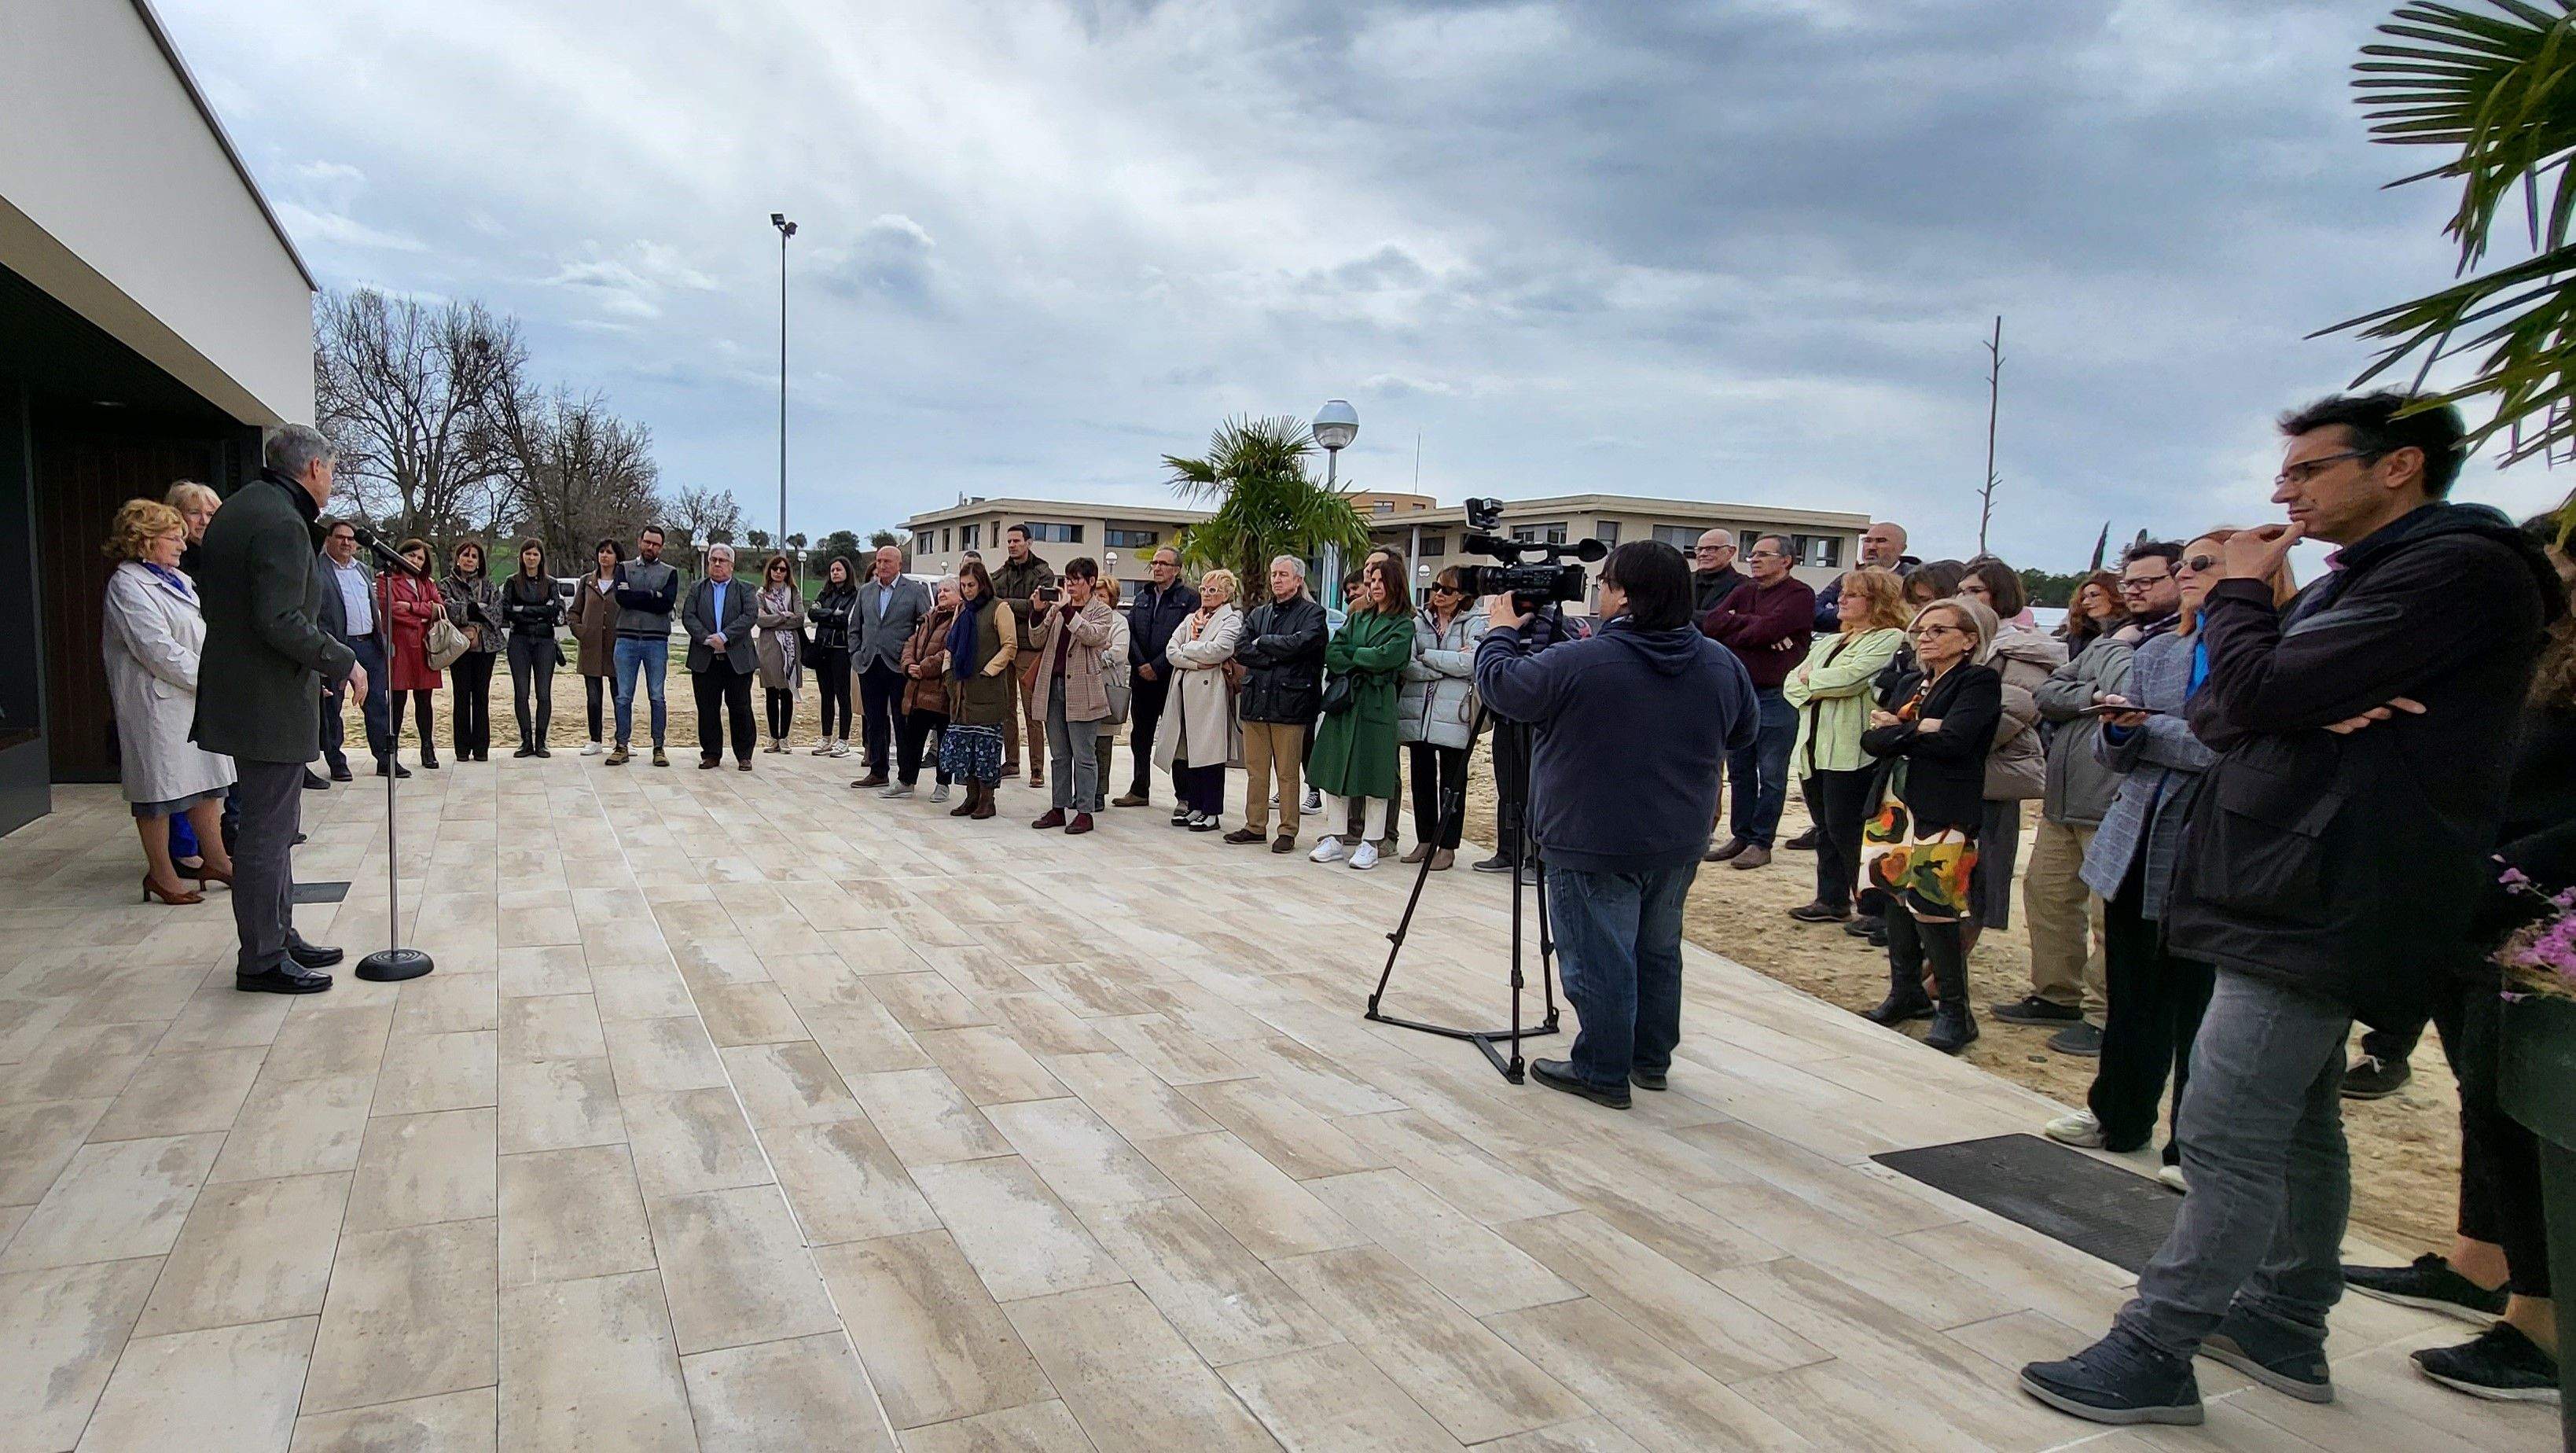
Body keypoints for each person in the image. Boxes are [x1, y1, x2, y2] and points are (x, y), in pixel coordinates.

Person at [2022, 391, 2565, 1428]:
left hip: (2328, 888)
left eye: (2308, 469)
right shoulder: (2373, 575)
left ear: (2397, 465)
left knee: (2223, 1130)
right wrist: (2284, 690)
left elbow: (2253, 695)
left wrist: (2243, 600)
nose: (2284, 493)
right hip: (2288, 876)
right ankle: (2282, 1317)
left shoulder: (2455, 569)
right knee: (2298, 1119)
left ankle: (2156, 1347)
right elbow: (2224, 706)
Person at [2344, 513, 2573, 1403]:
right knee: (2484, 1097)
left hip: (2532, 913)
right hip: (2479, 906)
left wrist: (2495, 875)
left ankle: (2541, 1332)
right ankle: (2480, 1264)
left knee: (2527, 1117)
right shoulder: (2537, 656)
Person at [1475, 539, 1757, 1107]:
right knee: (1657, 951)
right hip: (1677, 836)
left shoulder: (1583, 661)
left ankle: (1601, 1070)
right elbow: (1744, 732)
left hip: (1589, 836)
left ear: (1624, 595)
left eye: (1604, 584)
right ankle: (1649, 1060)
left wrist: (1500, 631)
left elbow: (1503, 688)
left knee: (1598, 956)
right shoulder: (1719, 662)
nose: (1598, 593)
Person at [2043, 537, 2285, 1187]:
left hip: (2219, 847)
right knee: (2132, 996)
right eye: (2184, 565)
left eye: (2202, 564)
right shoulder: (2159, 649)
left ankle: (2191, 1147)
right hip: (2138, 839)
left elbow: (2231, 750)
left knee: (2201, 1009)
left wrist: (2149, 730)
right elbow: (2115, 752)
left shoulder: (2271, 654)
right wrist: (2119, 730)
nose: (2186, 574)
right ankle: (2117, 1118)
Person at [191, 425, 359, 994]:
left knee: (274, 826)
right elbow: (280, 619)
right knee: (268, 831)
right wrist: (341, 661)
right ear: (313, 469)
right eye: (331, 470)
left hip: (248, 691)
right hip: (266, 701)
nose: (331, 481)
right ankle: (262, 957)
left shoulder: (243, 507)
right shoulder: (283, 522)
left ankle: (279, 932)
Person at [1999, 560, 2144, 1053]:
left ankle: (2106, 1016)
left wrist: (2105, 670)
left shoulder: (2150, 643)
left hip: (2112, 799)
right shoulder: (2094, 644)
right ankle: (2056, 994)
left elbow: (2131, 697)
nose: (2088, 600)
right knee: (2048, 896)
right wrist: (2096, 693)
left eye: (2103, 592)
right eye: (2085, 593)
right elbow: (2049, 694)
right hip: (2063, 796)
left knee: (2109, 917)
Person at [1857, 595, 2005, 1053]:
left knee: (1935, 904)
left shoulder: (1977, 682)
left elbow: (1956, 741)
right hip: (1894, 804)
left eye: (1939, 630)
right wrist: (1923, 727)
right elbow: (1872, 739)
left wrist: (1902, 730)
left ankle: (1957, 1012)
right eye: (1922, 630)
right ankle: (1906, 993)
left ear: (1969, 640)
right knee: (1894, 894)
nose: (1925, 638)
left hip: (1943, 808)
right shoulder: (1910, 681)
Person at [102, 498, 237, 903]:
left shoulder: (177, 579)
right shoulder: (127, 585)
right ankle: (161, 874)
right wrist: (213, 679)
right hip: (157, 704)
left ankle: (216, 860)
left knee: (207, 783)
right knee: (158, 792)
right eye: (173, 538)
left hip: (192, 698)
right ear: (144, 540)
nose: (182, 544)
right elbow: (157, 649)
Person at [1781, 566, 1909, 923]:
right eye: (1843, 593)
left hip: (1851, 752)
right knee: (1825, 828)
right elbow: (1790, 683)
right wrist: (1813, 684)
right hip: (1814, 749)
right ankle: (1831, 899)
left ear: (1877, 601)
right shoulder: (1832, 640)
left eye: (1853, 595)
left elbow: (1850, 680)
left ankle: (1873, 908)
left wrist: (1810, 682)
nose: (1842, 600)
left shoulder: (1890, 638)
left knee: (1848, 830)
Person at [1959, 559, 2065, 956]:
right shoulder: (1961, 639)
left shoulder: (2024, 649)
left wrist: (1947, 738)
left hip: (1994, 775)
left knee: (1981, 876)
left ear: (2000, 596)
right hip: (1948, 772)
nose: (1965, 598)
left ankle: (1949, 969)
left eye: (1976, 591)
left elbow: (2012, 713)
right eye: (1962, 590)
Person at [1700, 534, 1817, 870]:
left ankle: (1761, 842)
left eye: (1763, 555)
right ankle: (1741, 835)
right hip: (1741, 693)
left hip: (1776, 695)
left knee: (1772, 773)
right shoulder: (1745, 590)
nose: (1754, 560)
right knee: (1739, 771)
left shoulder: (1799, 595)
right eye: (1752, 555)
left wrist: (1744, 630)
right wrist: (1755, 629)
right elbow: (1712, 623)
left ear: (1786, 560)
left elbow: (1769, 630)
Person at [1308, 557, 1414, 870]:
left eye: (1382, 581)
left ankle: (1372, 842)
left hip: (1377, 703)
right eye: (1373, 580)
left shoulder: (1403, 624)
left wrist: (1354, 655)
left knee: (1374, 773)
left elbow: (1389, 657)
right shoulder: (1358, 618)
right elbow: (1333, 653)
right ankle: (1335, 837)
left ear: (1395, 584)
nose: (1375, 586)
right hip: (1346, 702)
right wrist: (1363, 658)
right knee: (1335, 768)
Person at [1229, 557, 1328, 851]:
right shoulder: (1258, 613)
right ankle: (1255, 826)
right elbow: (1241, 649)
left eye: (1283, 574)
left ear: (1298, 580)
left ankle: (1287, 830)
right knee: (1256, 771)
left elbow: (1303, 645)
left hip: (1291, 704)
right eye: (1274, 574)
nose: (1276, 579)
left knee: (1287, 773)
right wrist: (1278, 653)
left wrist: (1263, 643)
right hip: (1256, 701)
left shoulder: (1313, 613)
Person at [1395, 567, 1486, 870]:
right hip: (1418, 713)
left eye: (1447, 590)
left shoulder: (1476, 622)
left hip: (1455, 715)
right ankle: (1425, 840)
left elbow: (1472, 663)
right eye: (1436, 587)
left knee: (1452, 784)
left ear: (1462, 595)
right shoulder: (1418, 621)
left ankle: (1447, 847)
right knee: (1420, 780)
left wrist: (1430, 656)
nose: (1438, 594)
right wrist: (1446, 666)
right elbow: (1408, 664)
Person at [1028, 557, 1115, 833]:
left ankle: (1085, 811)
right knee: (1059, 755)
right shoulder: (1058, 609)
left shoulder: (1101, 611)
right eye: (1068, 580)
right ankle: (1058, 807)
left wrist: (1067, 611)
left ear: (1091, 582)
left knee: (1084, 755)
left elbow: (1093, 636)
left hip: (1083, 690)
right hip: (1053, 686)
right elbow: (1036, 640)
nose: (1071, 585)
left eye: (1076, 580)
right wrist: (1038, 612)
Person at [1155, 568, 1241, 831]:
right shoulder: (1191, 618)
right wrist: (1194, 662)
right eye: (1203, 589)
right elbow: (1171, 651)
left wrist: (1188, 648)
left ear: (1227, 594)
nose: (1206, 594)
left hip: (1211, 694)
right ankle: (1194, 806)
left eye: (1213, 590)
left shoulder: (1232, 619)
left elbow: (1220, 650)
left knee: (1210, 754)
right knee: (1189, 752)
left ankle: (1211, 812)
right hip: (1184, 691)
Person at [1116, 546, 1199, 808]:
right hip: (1141, 679)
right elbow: (1130, 632)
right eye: (1155, 563)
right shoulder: (1143, 597)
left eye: (1164, 563)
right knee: (1140, 736)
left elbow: (1186, 638)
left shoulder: (1189, 599)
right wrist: (1140, 663)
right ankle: (1139, 789)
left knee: (1176, 737)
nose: (1158, 567)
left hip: (1170, 679)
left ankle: (1184, 795)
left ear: (1177, 569)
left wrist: (1158, 666)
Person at [939, 559, 1017, 819]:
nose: (967, 590)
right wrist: (948, 671)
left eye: (971, 585)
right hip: (962, 691)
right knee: (965, 749)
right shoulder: (962, 610)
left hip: (988, 689)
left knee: (986, 749)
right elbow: (951, 644)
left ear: (982, 584)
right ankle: (971, 796)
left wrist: (988, 671)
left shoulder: (999, 608)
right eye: (963, 586)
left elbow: (1009, 645)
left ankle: (987, 799)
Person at [851, 545, 931, 786]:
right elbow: (855, 626)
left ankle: (906, 776)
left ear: (899, 565)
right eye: (879, 561)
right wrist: (856, 654)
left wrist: (914, 659)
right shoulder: (865, 592)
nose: (882, 566)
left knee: (901, 721)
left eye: (887, 561)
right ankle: (878, 771)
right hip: (869, 664)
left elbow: (925, 628)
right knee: (874, 720)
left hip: (899, 666)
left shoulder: (915, 591)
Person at [315, 519, 388, 782]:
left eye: (351, 538)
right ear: (328, 540)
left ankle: (385, 759)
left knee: (377, 703)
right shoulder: (318, 569)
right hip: (337, 646)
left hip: (369, 644)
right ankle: (336, 761)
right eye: (340, 537)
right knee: (332, 706)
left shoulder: (363, 570)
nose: (346, 542)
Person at [608, 525, 682, 767]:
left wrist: (639, 596)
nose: (651, 547)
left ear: (662, 547)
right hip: (626, 639)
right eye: (648, 542)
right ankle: (621, 745)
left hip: (656, 640)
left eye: (656, 544)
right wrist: (652, 595)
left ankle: (658, 747)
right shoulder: (623, 568)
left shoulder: (670, 573)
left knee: (657, 696)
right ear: (640, 541)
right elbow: (622, 598)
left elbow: (666, 604)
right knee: (623, 696)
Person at [682, 544, 759, 771]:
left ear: (731, 565)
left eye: (722, 560)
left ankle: (744, 755)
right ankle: (711, 754)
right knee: (707, 708)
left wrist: (724, 637)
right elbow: (689, 616)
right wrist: (708, 638)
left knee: (740, 707)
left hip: (737, 660)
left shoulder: (745, 589)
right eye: (713, 560)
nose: (716, 564)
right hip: (705, 659)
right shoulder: (697, 589)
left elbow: (749, 616)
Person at [991, 525, 1057, 784]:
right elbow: (993, 602)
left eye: (1017, 541)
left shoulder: (1043, 572)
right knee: (1006, 709)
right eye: (1009, 541)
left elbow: (1038, 606)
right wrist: (1022, 605)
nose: (1012, 545)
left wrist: (1006, 604)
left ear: (1029, 542)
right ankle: (1011, 762)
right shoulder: (1000, 574)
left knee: (1032, 711)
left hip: (1030, 648)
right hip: (1004, 645)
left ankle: (1037, 769)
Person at [890, 576, 961, 802]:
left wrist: (924, 668)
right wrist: (908, 665)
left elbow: (950, 650)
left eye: (947, 590)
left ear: (959, 595)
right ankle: (906, 781)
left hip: (942, 690)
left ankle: (943, 785)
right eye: (940, 591)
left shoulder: (960, 619)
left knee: (945, 741)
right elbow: (911, 643)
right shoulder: (929, 617)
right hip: (918, 689)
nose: (942, 594)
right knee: (913, 738)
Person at [380, 539, 446, 771]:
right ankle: (391, 753)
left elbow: (440, 609)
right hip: (400, 648)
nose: (415, 561)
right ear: (401, 555)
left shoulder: (427, 583)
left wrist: (411, 607)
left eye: (420, 558)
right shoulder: (386, 579)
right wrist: (422, 616)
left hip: (425, 647)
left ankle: (427, 748)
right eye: (412, 555)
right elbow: (390, 610)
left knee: (425, 701)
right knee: (397, 701)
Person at [500, 538, 564, 756]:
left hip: (544, 641)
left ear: (541, 557)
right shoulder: (512, 582)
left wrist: (524, 610)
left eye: (535, 554)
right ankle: (526, 739)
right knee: (522, 692)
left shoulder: (551, 583)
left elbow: (554, 611)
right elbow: (507, 611)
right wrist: (537, 611)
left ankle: (541, 740)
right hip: (519, 640)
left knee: (543, 693)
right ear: (521, 556)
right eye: (527, 553)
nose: (531, 558)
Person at [439, 539, 501, 763]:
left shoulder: (489, 585)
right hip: (458, 647)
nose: (469, 559)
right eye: (466, 555)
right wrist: (473, 610)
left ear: (479, 561)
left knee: (481, 696)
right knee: (462, 696)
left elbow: (496, 613)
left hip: (486, 647)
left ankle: (482, 748)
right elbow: (446, 609)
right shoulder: (446, 584)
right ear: (458, 558)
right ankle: (462, 749)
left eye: (474, 556)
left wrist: (474, 624)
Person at [1813, 521, 1920, 632]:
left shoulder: (1914, 580)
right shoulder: (1848, 578)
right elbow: (1813, 612)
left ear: (1902, 548)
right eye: (1867, 541)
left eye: (1881, 541)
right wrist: (1849, 612)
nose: (1872, 547)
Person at [568, 539, 622, 756]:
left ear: (617, 556)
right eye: (601, 551)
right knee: (593, 697)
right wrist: (580, 631)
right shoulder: (587, 581)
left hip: (617, 647)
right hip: (591, 647)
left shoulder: (623, 581)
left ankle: (623, 739)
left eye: (609, 552)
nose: (604, 556)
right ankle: (595, 739)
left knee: (620, 696)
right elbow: (574, 611)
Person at [806, 557, 858, 757]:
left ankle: (843, 740)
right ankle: (825, 737)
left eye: (839, 569)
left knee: (843, 695)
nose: (835, 573)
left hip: (841, 649)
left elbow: (846, 619)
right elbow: (812, 613)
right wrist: (832, 613)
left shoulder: (854, 595)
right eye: (833, 570)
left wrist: (826, 615)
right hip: (823, 649)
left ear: (847, 571)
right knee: (826, 694)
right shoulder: (824, 592)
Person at [754, 554, 803, 753]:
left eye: (783, 569)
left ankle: (784, 738)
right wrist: (783, 616)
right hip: (769, 647)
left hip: (790, 648)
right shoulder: (761, 594)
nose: (778, 572)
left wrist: (772, 619)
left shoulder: (793, 592)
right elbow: (760, 621)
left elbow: (799, 619)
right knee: (772, 693)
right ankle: (773, 737)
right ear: (770, 570)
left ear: (787, 572)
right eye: (775, 568)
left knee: (787, 691)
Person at [1093, 577, 1129, 813]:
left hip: (1107, 689)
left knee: (1103, 745)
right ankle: (1083, 790)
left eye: (1103, 596)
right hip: (1084, 689)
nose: (1098, 599)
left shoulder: (1119, 622)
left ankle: (1099, 793)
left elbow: (1119, 653)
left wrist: (1094, 651)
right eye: (1095, 594)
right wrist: (1100, 647)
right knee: (1083, 746)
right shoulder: (1085, 617)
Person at [167, 480, 221, 576]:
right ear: (176, 515)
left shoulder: (224, 553)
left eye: (210, 514)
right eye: (194, 513)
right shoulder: (170, 559)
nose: (204, 521)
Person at [1689, 529, 1745, 616]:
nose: (1703, 554)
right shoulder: (1682, 581)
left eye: (1711, 549)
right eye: (1699, 549)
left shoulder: (1745, 586)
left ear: (1730, 551)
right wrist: (1718, 617)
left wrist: (1683, 616)